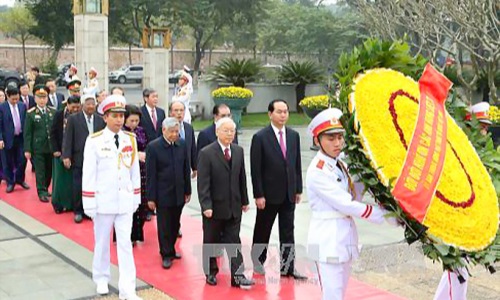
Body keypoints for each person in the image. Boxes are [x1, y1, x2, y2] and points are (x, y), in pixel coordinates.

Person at [306, 108, 394, 300]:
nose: (338, 143)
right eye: (331, 138)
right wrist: (387, 215)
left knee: (340, 292)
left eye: (340, 137)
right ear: (317, 141)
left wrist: (372, 177)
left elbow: (354, 193)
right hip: (327, 241)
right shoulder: (318, 171)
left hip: (344, 237)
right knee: (332, 296)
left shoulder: (340, 163)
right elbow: (346, 203)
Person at [82, 94, 142, 300]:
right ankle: (101, 277)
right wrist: (89, 202)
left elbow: (134, 171)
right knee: (101, 242)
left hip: (125, 201)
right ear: (105, 117)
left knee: (125, 244)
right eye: (114, 116)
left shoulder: (130, 140)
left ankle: (128, 289)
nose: (119, 120)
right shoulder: (95, 141)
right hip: (103, 200)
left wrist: (136, 197)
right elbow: (88, 173)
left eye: (121, 116)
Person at [250, 99, 306, 279]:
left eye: (285, 111)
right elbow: (255, 170)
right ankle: (258, 262)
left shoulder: (293, 136)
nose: (283, 115)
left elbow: (296, 164)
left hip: (289, 193)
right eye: (279, 112)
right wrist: (259, 194)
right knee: (262, 230)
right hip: (268, 195)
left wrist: (298, 188)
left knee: (288, 231)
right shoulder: (260, 137)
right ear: (270, 114)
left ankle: (288, 267)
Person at [197, 117, 254, 289]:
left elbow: (241, 178)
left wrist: (244, 200)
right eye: (226, 130)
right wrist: (206, 206)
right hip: (214, 208)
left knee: (234, 241)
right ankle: (211, 272)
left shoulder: (237, 150)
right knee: (211, 241)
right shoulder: (206, 153)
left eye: (232, 131)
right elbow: (203, 183)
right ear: (217, 132)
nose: (230, 134)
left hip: (234, 206)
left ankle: (237, 276)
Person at [146, 117, 191, 269]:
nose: (174, 135)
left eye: (176, 132)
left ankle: (171, 248)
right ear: (163, 130)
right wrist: (151, 197)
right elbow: (150, 174)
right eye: (171, 132)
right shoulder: (154, 147)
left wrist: (188, 190)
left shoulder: (182, 144)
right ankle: (166, 253)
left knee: (175, 223)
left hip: (179, 191)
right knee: (164, 225)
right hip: (162, 193)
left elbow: (186, 168)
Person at [62, 93, 105, 223]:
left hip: (97, 158)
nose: (91, 106)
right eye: (88, 104)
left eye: (93, 104)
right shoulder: (74, 119)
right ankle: (78, 211)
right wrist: (66, 156)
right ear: (82, 105)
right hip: (79, 157)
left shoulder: (100, 119)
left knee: (94, 184)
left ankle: (90, 210)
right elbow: (68, 138)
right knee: (78, 184)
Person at [169, 100, 197, 237]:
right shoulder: (165, 128)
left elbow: (192, 148)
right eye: (176, 110)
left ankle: (176, 224)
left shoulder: (188, 128)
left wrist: (195, 166)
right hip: (171, 169)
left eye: (181, 110)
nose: (179, 113)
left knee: (183, 199)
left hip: (185, 171)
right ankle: (171, 226)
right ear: (170, 112)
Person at [24, 85, 56, 203]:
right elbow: (27, 133)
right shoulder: (31, 113)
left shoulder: (52, 111)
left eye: (44, 97)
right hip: (38, 148)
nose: (42, 100)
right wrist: (27, 149)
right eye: (39, 97)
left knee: (49, 170)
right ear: (35, 98)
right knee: (40, 171)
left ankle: (46, 188)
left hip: (50, 146)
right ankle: (41, 191)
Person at [50, 95, 81, 213]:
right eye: (73, 107)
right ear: (67, 105)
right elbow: (53, 133)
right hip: (60, 152)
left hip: (74, 152)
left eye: (77, 107)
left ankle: (71, 204)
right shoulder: (59, 115)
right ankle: (58, 204)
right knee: (59, 181)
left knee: (72, 182)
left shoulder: (79, 116)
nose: (75, 109)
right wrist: (55, 150)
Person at [123, 105, 148, 244]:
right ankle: (127, 236)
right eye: (131, 121)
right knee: (128, 205)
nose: (134, 124)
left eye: (136, 121)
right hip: (127, 172)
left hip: (142, 171)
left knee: (141, 204)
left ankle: (137, 233)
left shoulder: (141, 131)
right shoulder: (121, 133)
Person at [0, 87, 29, 193]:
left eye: (17, 98)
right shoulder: (2, 108)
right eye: (13, 99)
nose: (15, 101)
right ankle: (10, 182)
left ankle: (20, 179)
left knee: (23, 160)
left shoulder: (22, 106)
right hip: (7, 138)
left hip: (20, 137)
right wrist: (0, 139)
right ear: (7, 96)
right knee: (7, 162)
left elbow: (25, 121)